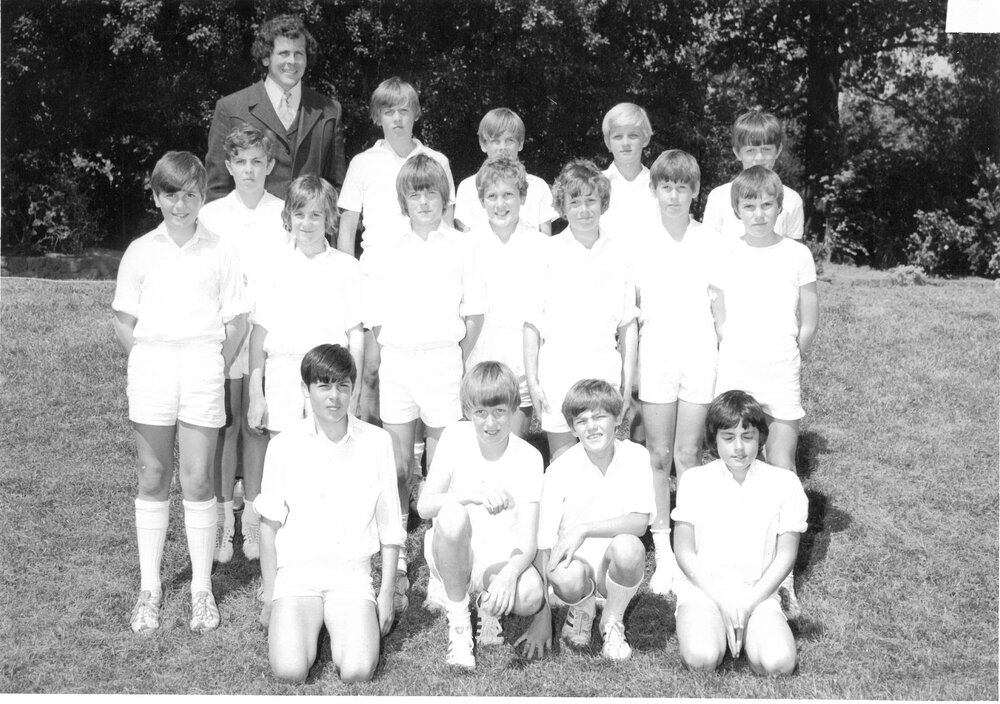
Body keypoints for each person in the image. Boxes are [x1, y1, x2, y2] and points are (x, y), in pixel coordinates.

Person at [112, 151, 247, 634]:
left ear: (202, 196)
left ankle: (201, 590)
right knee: (153, 474)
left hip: (202, 368)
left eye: (191, 193)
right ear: (156, 197)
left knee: (196, 478)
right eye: (171, 193)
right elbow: (124, 322)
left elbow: (239, 320)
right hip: (152, 367)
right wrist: (148, 360)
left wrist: (213, 364)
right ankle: (150, 589)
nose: (181, 203)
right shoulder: (140, 250)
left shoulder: (220, 249)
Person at [366, 153, 485, 613]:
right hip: (398, 364)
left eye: (431, 192)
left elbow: (474, 313)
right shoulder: (387, 249)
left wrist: (452, 357)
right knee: (398, 468)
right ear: (403, 200)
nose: (423, 201)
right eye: (414, 193)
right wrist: (392, 349)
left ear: (444, 197)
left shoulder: (462, 246)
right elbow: (375, 316)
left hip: (441, 365)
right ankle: (395, 563)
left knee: (440, 471)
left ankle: (440, 567)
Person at [255, 344, 403, 683]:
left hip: (351, 579)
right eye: (323, 385)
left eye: (342, 385)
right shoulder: (283, 445)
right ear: (306, 389)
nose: (333, 396)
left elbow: (391, 528)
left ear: (353, 388)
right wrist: (270, 593)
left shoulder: (377, 442)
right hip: (297, 577)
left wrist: (385, 595)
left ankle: (338, 627)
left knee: (357, 670)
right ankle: (301, 624)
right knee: (290, 670)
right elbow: (269, 525)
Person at [710, 165, 818, 617]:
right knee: (732, 463)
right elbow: (717, 311)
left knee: (779, 465)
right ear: (736, 209)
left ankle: (783, 576)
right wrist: (732, 346)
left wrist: (792, 352)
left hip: (780, 372)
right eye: (749, 205)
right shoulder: (725, 252)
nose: (758, 213)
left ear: (780, 207)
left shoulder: (797, 254)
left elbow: (808, 318)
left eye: (766, 205)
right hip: (737, 370)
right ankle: (727, 565)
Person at [337, 76, 455, 434]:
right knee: (373, 365)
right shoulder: (362, 163)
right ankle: (373, 445)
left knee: (422, 362)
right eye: (390, 112)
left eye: (405, 111)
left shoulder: (436, 160)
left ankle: (418, 451)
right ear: (378, 117)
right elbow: (347, 228)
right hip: (377, 277)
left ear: (416, 114)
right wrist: (347, 276)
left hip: (427, 277)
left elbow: (447, 225)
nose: (398, 119)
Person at [633, 149, 727, 595]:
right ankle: (664, 551)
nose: (674, 194)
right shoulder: (638, 240)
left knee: (689, 454)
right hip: (656, 352)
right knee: (657, 455)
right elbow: (628, 313)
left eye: (682, 186)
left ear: (695, 191)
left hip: (700, 351)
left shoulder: (710, 239)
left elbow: (720, 305)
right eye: (665, 186)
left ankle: (690, 548)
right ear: (654, 190)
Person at [416, 361, 545, 668]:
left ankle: (486, 599)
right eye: (481, 413)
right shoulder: (453, 437)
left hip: (500, 556)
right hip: (455, 547)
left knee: (529, 596)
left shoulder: (529, 457)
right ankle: (459, 624)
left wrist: (509, 576)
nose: (491, 423)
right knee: (451, 514)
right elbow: (424, 506)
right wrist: (472, 496)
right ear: (467, 411)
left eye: (500, 411)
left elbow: (528, 541)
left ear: (514, 408)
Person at [672, 390, 807, 676]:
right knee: (701, 657)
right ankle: (712, 626)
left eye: (747, 437)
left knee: (778, 663)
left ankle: (750, 629)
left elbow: (786, 555)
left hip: (758, 593)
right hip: (704, 591)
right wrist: (721, 601)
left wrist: (747, 604)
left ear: (761, 438)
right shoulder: (695, 480)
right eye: (728, 437)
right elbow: (684, 551)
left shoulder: (785, 483)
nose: (739, 448)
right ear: (713, 439)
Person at [199, 123, 286, 564]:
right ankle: (220, 524)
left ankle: (252, 520)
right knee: (225, 425)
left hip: (271, 332)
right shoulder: (212, 215)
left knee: (258, 426)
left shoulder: (285, 212)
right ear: (228, 166)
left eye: (258, 162)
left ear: (270, 166)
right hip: (229, 329)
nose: (249, 171)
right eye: (241, 162)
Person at [517, 380, 654, 661]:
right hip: (574, 570)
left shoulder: (637, 456)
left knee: (629, 548)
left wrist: (584, 529)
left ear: (617, 419)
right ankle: (581, 606)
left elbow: (640, 522)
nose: (591, 427)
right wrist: (543, 617)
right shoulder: (558, 470)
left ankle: (612, 621)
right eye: (582, 421)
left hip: (612, 571)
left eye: (600, 416)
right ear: (572, 428)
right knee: (563, 571)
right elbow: (543, 545)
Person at [524, 159, 637, 461]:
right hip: (558, 371)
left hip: (603, 369)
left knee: (600, 459)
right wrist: (533, 381)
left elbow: (628, 324)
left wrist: (626, 383)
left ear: (603, 203)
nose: (584, 210)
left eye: (591, 201)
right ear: (562, 206)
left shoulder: (620, 253)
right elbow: (532, 324)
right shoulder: (546, 253)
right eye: (575, 202)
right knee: (562, 463)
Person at [246, 174, 364, 445]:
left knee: (330, 459)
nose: (306, 223)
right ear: (288, 217)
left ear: (330, 219)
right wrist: (256, 395)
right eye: (299, 214)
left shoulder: (347, 268)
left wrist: (353, 391)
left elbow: (356, 335)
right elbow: (259, 335)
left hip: (330, 378)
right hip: (283, 374)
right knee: (285, 461)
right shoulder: (272, 266)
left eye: (315, 215)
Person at [205, 14, 346, 202]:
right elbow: (216, 189)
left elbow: (336, 186)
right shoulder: (231, 109)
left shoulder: (329, 111)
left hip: (309, 228)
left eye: (299, 54)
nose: (292, 61)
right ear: (265, 58)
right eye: (284, 53)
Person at [464, 156, 548, 437]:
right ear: (482, 200)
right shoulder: (465, 244)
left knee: (513, 447)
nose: (500, 204)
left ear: (522, 197)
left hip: (520, 368)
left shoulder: (541, 246)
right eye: (492, 196)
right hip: (476, 363)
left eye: (509, 195)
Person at [701, 109, 804, 240]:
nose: (759, 158)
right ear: (737, 153)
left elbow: (794, 253)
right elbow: (708, 250)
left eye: (766, 149)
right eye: (750, 151)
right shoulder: (718, 197)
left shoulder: (792, 199)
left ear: (778, 151)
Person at [452, 108, 557, 234]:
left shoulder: (538, 186)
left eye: (509, 140)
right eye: (495, 141)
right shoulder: (468, 187)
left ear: (521, 144)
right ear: (483, 144)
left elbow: (545, 239)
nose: (503, 148)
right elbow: (465, 239)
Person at [598, 103, 659, 247]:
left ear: (645, 139)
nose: (625, 143)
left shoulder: (660, 185)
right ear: (608, 142)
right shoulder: (594, 184)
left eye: (633, 135)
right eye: (618, 136)